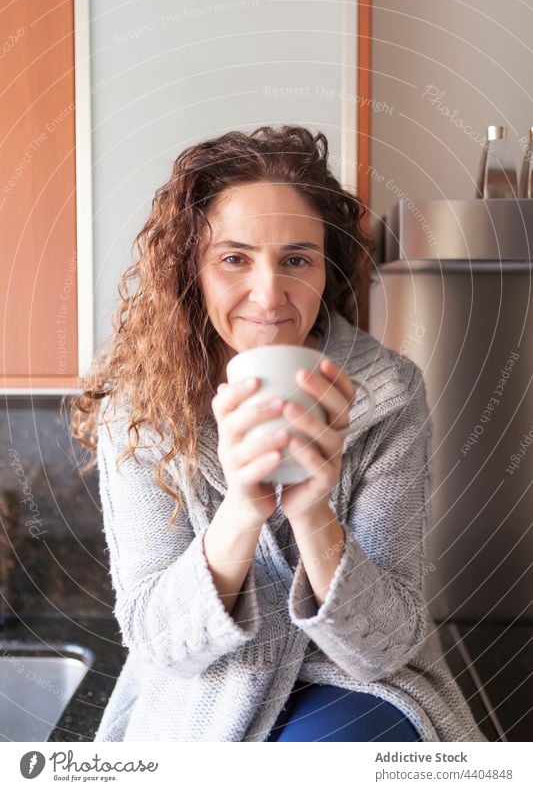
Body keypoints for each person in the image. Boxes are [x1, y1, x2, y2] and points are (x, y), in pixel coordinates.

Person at [66, 125, 487, 742]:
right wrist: (242, 510)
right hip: (209, 693)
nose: (269, 294)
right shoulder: (139, 407)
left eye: (296, 259)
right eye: (234, 258)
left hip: (354, 686)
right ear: (192, 271)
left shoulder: (388, 394)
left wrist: (314, 513)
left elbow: (386, 645)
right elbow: (161, 640)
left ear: (325, 268)